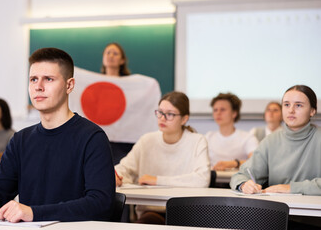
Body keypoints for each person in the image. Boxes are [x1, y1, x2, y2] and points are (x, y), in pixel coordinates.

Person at [0, 48, 115, 222]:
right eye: (33, 79)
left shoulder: (92, 137)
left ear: (69, 85)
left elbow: (101, 204)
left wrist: (34, 213)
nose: (38, 87)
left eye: (48, 79)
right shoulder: (20, 140)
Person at [230, 85, 321, 229]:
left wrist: (291, 188)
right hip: (275, 219)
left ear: (312, 111)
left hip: (314, 220)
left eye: (298, 105)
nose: (291, 110)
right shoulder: (270, 141)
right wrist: (244, 184)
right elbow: (240, 175)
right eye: (286, 105)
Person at [115, 91, 211, 224]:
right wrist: (116, 176)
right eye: (160, 112)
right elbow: (124, 168)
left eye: (170, 114)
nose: (162, 118)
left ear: (184, 119)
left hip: (186, 213)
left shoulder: (197, 141)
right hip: (152, 212)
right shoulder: (147, 140)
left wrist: (156, 180)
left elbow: (202, 179)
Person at [205, 93, 258, 171]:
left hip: (238, 181)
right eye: (215, 110)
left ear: (234, 113)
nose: (218, 113)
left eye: (222, 109)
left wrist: (233, 164)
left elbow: (256, 162)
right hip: (212, 180)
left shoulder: (247, 137)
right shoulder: (208, 137)